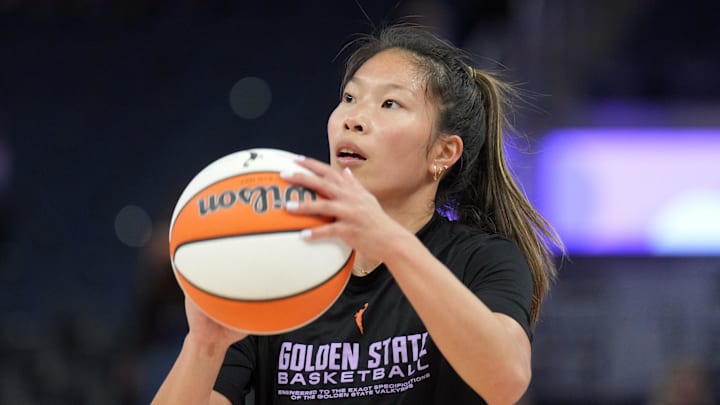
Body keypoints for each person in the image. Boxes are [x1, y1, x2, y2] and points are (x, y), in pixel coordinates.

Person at [151, 23, 562, 405]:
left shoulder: (482, 258)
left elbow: (505, 379)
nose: (353, 119)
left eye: (389, 103)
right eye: (349, 98)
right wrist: (204, 344)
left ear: (443, 153)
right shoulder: (277, 268)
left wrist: (388, 241)